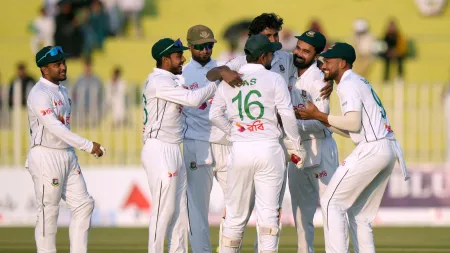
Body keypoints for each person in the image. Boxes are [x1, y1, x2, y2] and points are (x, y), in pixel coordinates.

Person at [299, 42, 409, 253]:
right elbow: (353, 131)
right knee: (359, 215)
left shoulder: (348, 84)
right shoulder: (358, 82)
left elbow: (352, 123)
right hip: (386, 149)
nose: (323, 66)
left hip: (372, 149)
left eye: (328, 62)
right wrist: (322, 120)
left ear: (342, 63)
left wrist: (317, 115)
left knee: (331, 203)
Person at [210, 34, 306, 253]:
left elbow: (214, 115)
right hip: (269, 148)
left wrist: (234, 131)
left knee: (234, 216)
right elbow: (287, 116)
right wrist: (295, 144)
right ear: (263, 57)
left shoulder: (229, 80)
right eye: (271, 53)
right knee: (268, 217)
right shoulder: (274, 79)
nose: (273, 56)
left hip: (241, 149)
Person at [142, 38, 229, 253]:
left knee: (180, 214)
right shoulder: (159, 82)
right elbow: (192, 99)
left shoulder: (170, 80)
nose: (182, 59)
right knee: (164, 211)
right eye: (178, 56)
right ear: (165, 59)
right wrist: (218, 79)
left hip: (173, 148)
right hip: (159, 148)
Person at [26, 45, 105, 253]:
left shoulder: (61, 90)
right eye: (57, 64)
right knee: (49, 212)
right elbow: (55, 128)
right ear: (44, 69)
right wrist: (88, 145)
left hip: (67, 155)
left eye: (63, 62)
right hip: (46, 154)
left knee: (84, 204)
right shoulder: (38, 93)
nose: (63, 67)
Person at [288, 30, 343, 253]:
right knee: (301, 216)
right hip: (297, 150)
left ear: (317, 54)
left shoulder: (320, 78)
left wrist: (290, 124)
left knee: (332, 210)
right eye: (298, 47)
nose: (299, 53)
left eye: (306, 51)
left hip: (320, 148)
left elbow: (322, 122)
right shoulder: (287, 70)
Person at [181, 25, 231, 253]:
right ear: (190, 46)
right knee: (197, 209)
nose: (206, 50)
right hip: (196, 145)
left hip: (225, 143)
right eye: (201, 46)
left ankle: (229, 249)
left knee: (237, 205)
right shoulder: (181, 74)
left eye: (210, 45)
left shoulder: (225, 70)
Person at [381, 18, 408, 83]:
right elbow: (383, 45)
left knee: (400, 60)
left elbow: (402, 46)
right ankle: (386, 79)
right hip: (388, 53)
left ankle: (400, 76)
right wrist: (388, 51)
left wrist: (396, 51)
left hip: (397, 53)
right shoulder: (386, 36)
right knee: (387, 60)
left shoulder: (399, 36)